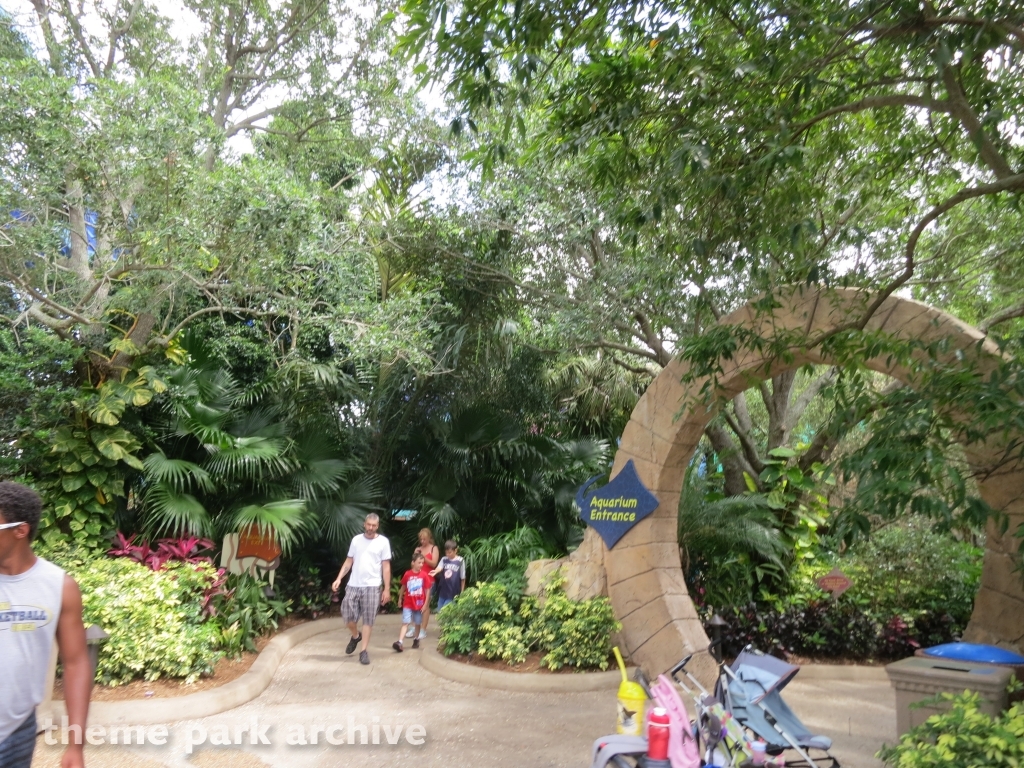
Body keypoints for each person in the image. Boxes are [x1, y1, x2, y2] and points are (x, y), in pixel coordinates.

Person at [0, 481, 91, 768]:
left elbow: (76, 663)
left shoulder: (59, 586)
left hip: (16, 733)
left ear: (20, 530)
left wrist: (75, 745)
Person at [332, 513, 391, 665]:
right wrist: (339, 578)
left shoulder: (383, 542)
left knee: (368, 619)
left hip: (372, 586)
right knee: (347, 615)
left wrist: (387, 589)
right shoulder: (356, 540)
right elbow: (348, 561)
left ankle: (363, 651)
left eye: (374, 525)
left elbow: (386, 567)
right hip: (353, 584)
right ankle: (355, 635)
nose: (371, 528)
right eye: (369, 524)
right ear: (364, 524)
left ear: (377, 526)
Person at [392, 553, 432, 652]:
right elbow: (403, 586)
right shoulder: (407, 574)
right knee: (405, 622)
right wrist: (400, 598)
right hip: (408, 603)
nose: (421, 565)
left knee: (417, 623)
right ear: (413, 563)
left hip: (419, 604)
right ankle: (400, 642)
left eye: (422, 563)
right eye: (419, 562)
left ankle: (416, 639)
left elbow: (428, 590)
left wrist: (426, 604)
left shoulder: (424, 575)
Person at [407, 528, 439, 640]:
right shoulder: (418, 549)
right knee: (413, 604)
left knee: (425, 605)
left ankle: (423, 630)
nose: (422, 541)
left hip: (429, 580)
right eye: (421, 539)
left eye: (424, 539)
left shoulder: (434, 548)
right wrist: (415, 558)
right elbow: (412, 565)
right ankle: (413, 627)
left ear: (429, 538)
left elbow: (434, 564)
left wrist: (423, 558)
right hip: (416, 580)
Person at [431, 540, 466, 610]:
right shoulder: (444, 559)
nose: (448, 554)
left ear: (455, 550)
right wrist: (435, 571)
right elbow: (439, 567)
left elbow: (463, 578)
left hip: (453, 592)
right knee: (440, 611)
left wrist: (462, 591)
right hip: (443, 590)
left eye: (450, 552)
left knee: (446, 611)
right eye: (446, 553)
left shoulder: (460, 560)